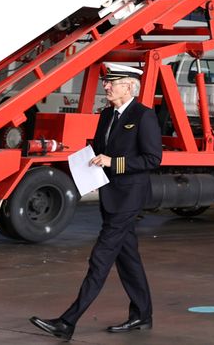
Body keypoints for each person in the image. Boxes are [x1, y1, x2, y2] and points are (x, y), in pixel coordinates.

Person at [31, 64, 162, 340]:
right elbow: (100, 151)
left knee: (100, 258)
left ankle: (68, 322)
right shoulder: (106, 115)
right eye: (105, 82)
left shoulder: (143, 116)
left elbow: (152, 159)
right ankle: (142, 315)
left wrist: (113, 162)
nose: (106, 87)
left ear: (128, 86)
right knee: (128, 260)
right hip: (109, 194)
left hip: (128, 198)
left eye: (111, 83)